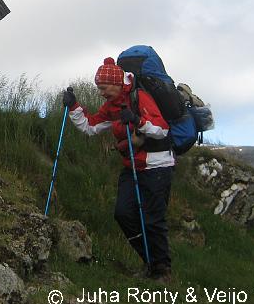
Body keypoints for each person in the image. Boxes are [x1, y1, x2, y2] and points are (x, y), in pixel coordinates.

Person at [63, 57, 174, 282]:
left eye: (103, 88)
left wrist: (136, 119)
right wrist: (73, 106)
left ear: (115, 83)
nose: (101, 93)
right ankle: (150, 263)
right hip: (132, 165)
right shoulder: (112, 106)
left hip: (158, 164)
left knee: (153, 219)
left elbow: (162, 130)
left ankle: (162, 271)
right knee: (123, 214)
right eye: (99, 89)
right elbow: (90, 126)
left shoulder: (139, 97)